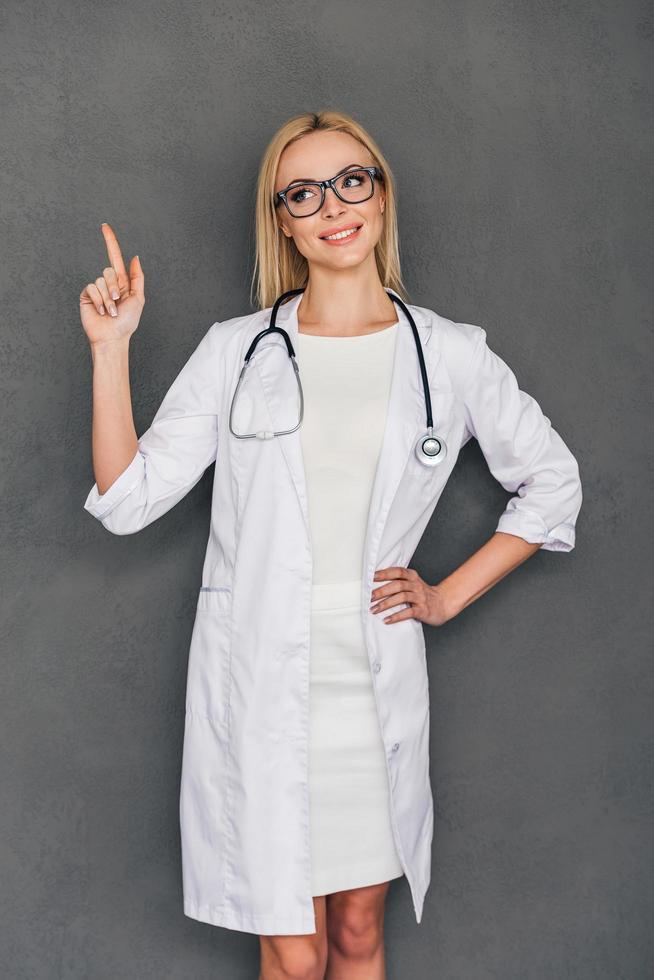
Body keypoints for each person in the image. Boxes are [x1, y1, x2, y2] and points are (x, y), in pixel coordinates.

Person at [81, 108, 583, 980]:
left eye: (353, 180)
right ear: (283, 220)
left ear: (381, 195)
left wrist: (446, 595)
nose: (333, 207)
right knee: (293, 944)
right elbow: (128, 500)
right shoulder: (236, 351)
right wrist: (111, 351)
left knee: (355, 935)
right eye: (304, 193)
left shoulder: (451, 355)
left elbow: (553, 483)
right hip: (259, 681)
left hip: (370, 684)